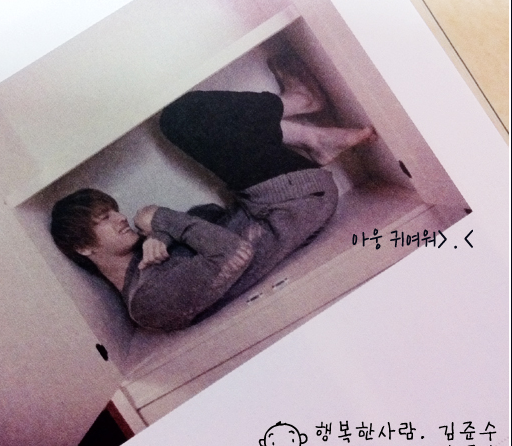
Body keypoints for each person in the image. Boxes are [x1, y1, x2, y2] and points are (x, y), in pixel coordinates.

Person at [50, 57, 375, 331]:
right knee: (181, 118)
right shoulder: (148, 304)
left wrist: (161, 234)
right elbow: (235, 252)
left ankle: (312, 136)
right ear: (84, 247)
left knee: (187, 122)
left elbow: (210, 214)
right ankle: (301, 108)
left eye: (113, 210)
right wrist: (158, 216)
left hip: (278, 200)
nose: (120, 218)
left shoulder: (146, 262)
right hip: (293, 204)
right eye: (104, 218)